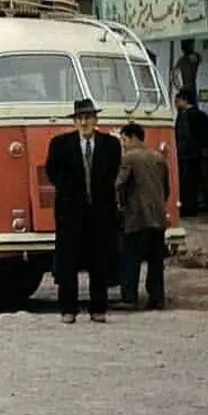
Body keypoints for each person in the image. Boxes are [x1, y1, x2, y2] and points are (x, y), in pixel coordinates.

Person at [44, 98, 121, 323]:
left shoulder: (110, 144)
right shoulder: (60, 144)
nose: (84, 122)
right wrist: (70, 193)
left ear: (96, 120)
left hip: (100, 212)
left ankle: (98, 308)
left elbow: (112, 173)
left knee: (99, 261)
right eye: (80, 118)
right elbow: (52, 172)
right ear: (74, 121)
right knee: (68, 262)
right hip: (70, 213)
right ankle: (68, 309)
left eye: (88, 118)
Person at [116, 123, 171, 309]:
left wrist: (120, 206)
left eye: (124, 139)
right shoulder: (158, 157)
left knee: (131, 259)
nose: (123, 144)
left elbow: (120, 184)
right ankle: (157, 298)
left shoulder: (128, 158)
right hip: (158, 217)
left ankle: (129, 298)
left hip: (136, 216)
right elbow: (166, 188)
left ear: (132, 137)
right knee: (156, 260)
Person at [173, 88, 208, 216]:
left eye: (178, 101)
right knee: (192, 183)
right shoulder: (198, 115)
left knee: (188, 183)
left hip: (189, 155)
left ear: (184, 100)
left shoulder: (186, 116)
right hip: (193, 155)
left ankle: (189, 207)